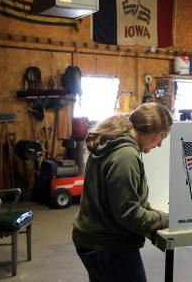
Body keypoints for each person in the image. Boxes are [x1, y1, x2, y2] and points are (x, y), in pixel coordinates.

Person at [72, 102, 173, 282]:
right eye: (162, 136)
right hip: (108, 245)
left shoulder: (117, 144)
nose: (160, 144)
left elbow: (130, 202)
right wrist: (169, 219)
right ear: (150, 130)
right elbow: (129, 214)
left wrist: (155, 216)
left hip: (96, 240)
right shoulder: (125, 155)